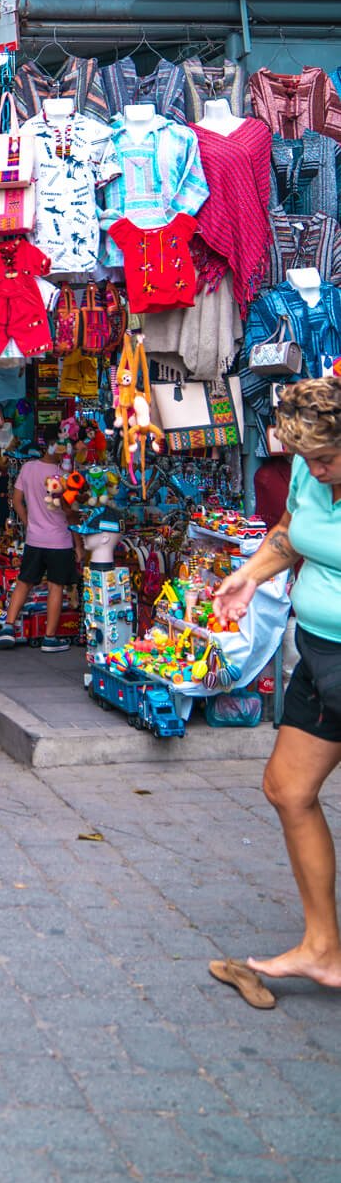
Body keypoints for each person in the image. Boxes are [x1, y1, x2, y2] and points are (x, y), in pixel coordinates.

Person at [208, 378, 341, 1003]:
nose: (316, 470)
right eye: (307, 460)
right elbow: (291, 531)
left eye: (327, 460)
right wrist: (247, 576)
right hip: (317, 650)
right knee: (287, 789)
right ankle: (322, 950)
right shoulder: (310, 474)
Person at [0, 438, 79, 652]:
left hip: (35, 539)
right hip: (59, 541)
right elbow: (69, 513)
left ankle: (8, 627)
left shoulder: (28, 468)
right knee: (56, 586)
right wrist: (79, 544)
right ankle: (50, 638)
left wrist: (28, 522)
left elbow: (16, 499)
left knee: (24, 582)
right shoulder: (64, 475)